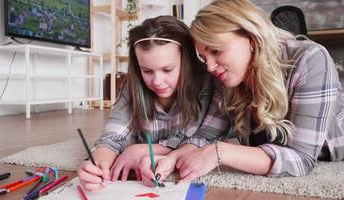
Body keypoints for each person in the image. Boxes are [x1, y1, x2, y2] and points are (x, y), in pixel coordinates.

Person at [139, 0, 344, 185]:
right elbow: (208, 134)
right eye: (203, 57)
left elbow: (301, 159)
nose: (209, 66)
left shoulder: (310, 59)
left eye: (216, 50)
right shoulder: (227, 76)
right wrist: (175, 158)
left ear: (251, 39)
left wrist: (221, 152)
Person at [78, 15, 227, 191]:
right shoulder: (132, 86)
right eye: (147, 71)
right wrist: (98, 163)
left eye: (167, 69)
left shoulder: (212, 81)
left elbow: (208, 140)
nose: (157, 81)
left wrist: (143, 151)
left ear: (187, 62)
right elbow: (112, 138)